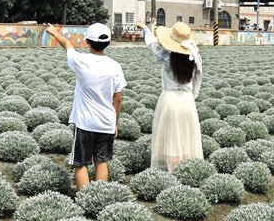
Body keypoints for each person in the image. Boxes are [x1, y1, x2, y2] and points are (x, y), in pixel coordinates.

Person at [46, 23, 126, 190]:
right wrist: (115, 123)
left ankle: (85, 198)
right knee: (101, 161)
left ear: (87, 41)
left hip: (85, 122)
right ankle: (99, 197)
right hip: (106, 123)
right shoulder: (115, 66)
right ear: (109, 43)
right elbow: (117, 99)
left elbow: (67, 45)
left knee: (80, 163)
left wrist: (53, 31)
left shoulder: (81, 60)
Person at [145, 20, 203, 171]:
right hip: (187, 101)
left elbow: (152, 44)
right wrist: (192, 96)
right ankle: (184, 171)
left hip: (169, 100)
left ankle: (170, 170)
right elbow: (198, 79)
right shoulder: (195, 58)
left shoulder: (166, 57)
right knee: (185, 137)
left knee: (169, 137)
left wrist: (146, 28)